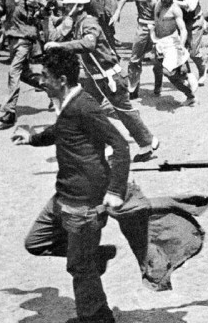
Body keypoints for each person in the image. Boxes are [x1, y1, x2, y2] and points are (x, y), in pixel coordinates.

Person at [13, 47, 129, 323]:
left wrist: (115, 191)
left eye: (46, 76)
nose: (41, 81)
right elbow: (60, 130)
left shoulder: (85, 106)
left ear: (62, 80)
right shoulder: (66, 104)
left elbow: (121, 145)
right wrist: (32, 138)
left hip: (84, 204)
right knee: (36, 242)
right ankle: (94, 256)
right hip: (63, 195)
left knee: (79, 267)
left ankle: (97, 317)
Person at [45, 0, 159, 163]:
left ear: (79, 6)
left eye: (68, 5)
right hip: (95, 79)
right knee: (88, 111)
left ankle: (147, 141)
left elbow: (88, 44)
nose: (65, 8)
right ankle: (104, 147)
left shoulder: (89, 23)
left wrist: (60, 46)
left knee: (123, 111)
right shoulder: (78, 23)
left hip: (110, 77)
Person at [0, 0, 47, 130]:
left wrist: (40, 12)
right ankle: (52, 87)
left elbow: (47, 7)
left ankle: (9, 112)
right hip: (12, 38)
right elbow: (2, 7)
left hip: (26, 39)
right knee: (25, 75)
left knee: (13, 72)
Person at [151, 0, 197, 106]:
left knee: (168, 72)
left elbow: (183, 30)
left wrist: (181, 46)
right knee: (163, 72)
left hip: (172, 43)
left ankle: (187, 79)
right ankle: (189, 93)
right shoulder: (158, 4)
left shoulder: (175, 9)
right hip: (160, 43)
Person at [169, 0, 207, 85]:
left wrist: (174, 2)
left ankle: (202, 71)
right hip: (179, 22)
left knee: (193, 52)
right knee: (180, 50)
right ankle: (188, 75)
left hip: (194, 21)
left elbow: (191, 6)